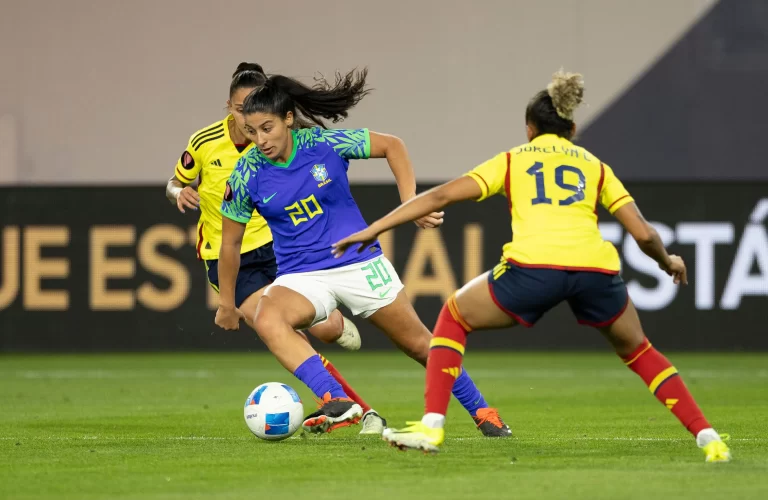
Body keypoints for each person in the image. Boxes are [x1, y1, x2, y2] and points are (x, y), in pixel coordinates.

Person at [331, 70, 732, 462]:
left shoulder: (513, 161)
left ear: (528, 128)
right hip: (595, 271)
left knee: (453, 316)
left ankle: (432, 425)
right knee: (640, 351)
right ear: (572, 129)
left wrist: (375, 228)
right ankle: (707, 436)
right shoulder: (595, 167)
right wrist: (668, 261)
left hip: (534, 269)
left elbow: (440, 197)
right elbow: (643, 234)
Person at [215, 68, 512, 436]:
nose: (260, 140)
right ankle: (334, 399)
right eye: (252, 131)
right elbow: (229, 244)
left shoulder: (323, 144)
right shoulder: (246, 174)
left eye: (268, 128)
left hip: (358, 262)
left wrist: (411, 203)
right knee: (266, 317)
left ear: (288, 119)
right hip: (301, 275)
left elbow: (393, 145)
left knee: (421, 345)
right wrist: (227, 303)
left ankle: (484, 412)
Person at [166, 62, 386, 435]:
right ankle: (346, 403)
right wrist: (178, 192)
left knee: (326, 330)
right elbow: (174, 181)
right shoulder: (203, 142)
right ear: (228, 105)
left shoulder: (283, 138)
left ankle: (332, 330)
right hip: (230, 257)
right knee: (275, 328)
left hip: (279, 248)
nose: (246, 120)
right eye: (238, 109)